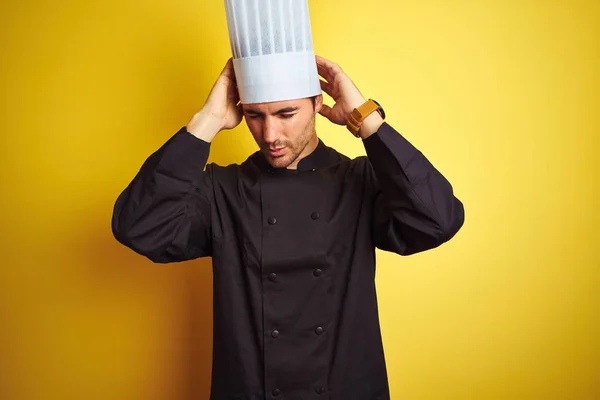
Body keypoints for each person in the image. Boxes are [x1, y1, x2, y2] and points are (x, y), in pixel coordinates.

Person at [112, 54, 464, 399]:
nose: (270, 134)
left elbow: (438, 219)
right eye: (254, 115)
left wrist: (366, 119)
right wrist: (207, 120)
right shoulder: (223, 190)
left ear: (317, 103)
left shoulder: (359, 182)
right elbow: (139, 227)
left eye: (286, 114)